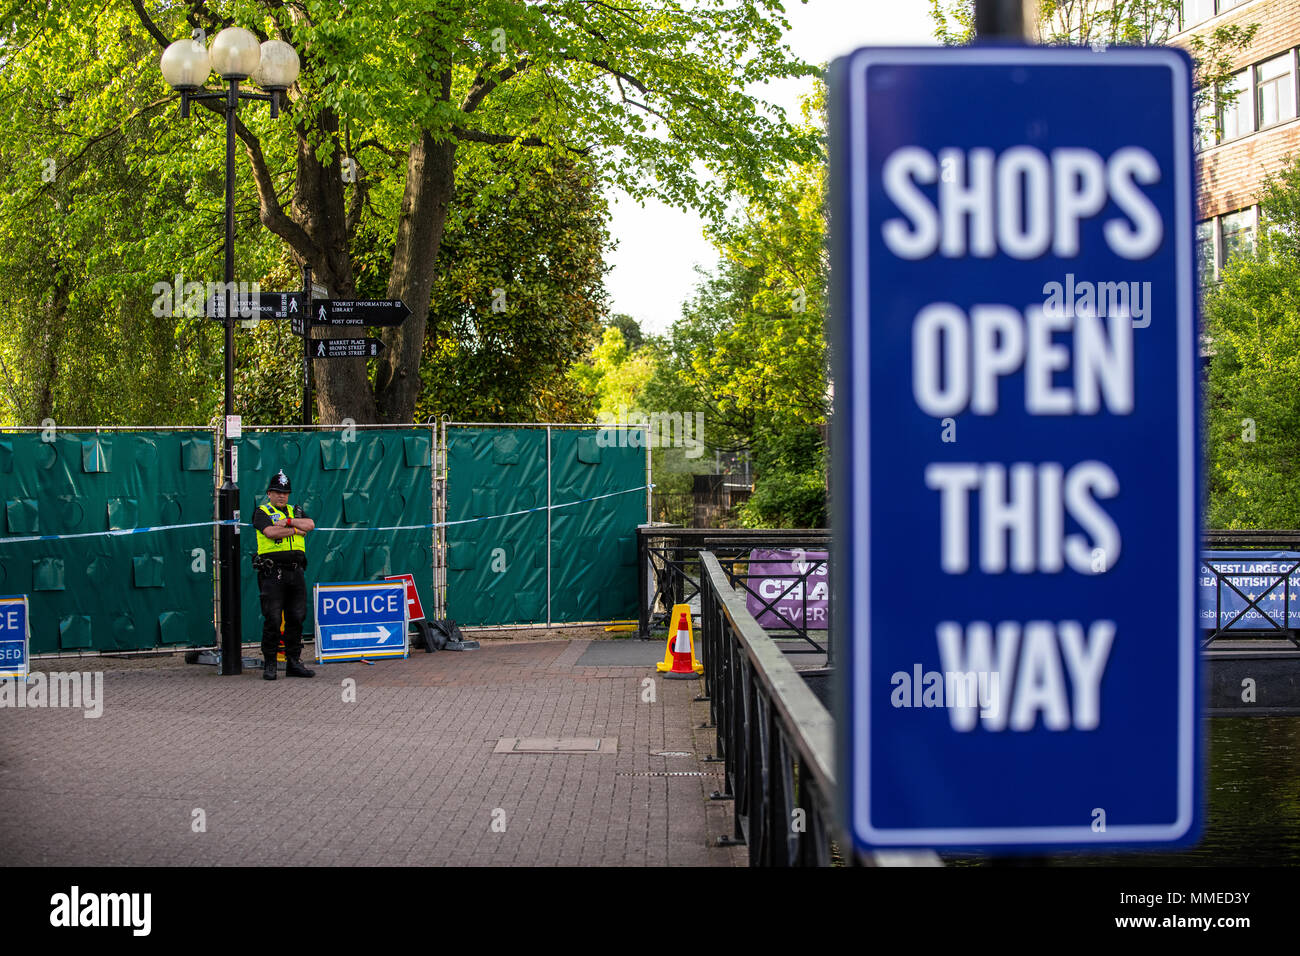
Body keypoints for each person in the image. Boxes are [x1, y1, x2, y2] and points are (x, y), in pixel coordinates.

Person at [253, 469, 316, 680]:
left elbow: (310, 525)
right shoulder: (262, 511)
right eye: (277, 492)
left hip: (296, 571)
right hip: (273, 572)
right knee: (272, 617)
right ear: (269, 493)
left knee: (296, 617)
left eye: (285, 492)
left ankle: (293, 662)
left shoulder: (295, 510)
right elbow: (270, 532)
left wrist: (289, 523)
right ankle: (270, 662)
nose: (282, 496)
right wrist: (297, 531)